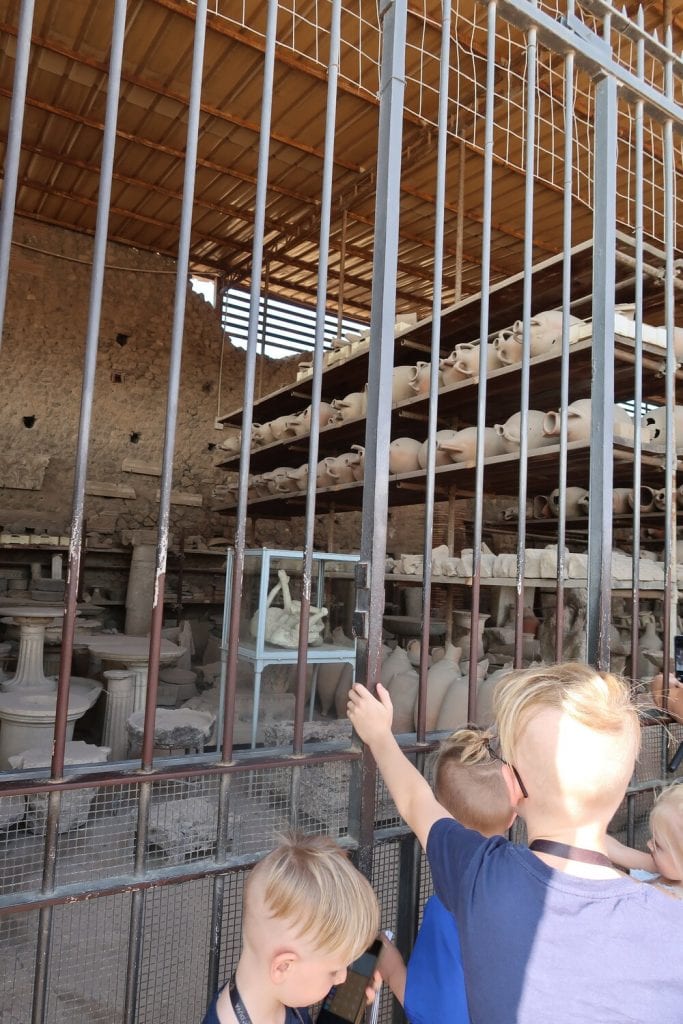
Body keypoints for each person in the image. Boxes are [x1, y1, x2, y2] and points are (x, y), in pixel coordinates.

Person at [347, 662, 683, 1024]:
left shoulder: (481, 876)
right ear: (624, 781)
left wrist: (380, 735)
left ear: (512, 789)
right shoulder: (670, 923)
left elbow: (416, 801)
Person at [378, 727, 515, 1024]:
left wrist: (392, 969)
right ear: (514, 813)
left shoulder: (448, 910)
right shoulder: (525, 883)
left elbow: (440, 1014)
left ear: (440, 812)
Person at [202, 832, 380, 1024]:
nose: (342, 979)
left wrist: (342, 1011)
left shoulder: (281, 991)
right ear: (283, 967)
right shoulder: (289, 989)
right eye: (333, 971)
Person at [606, 783, 683, 898]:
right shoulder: (668, 867)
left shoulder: (668, 898)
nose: (649, 844)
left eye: (658, 845)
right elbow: (619, 851)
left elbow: (620, 882)